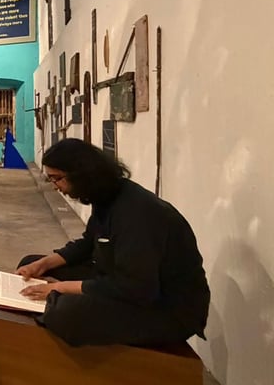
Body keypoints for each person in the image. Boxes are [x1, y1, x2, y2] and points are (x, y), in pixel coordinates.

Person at [15, 138, 210, 347]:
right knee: (32, 263)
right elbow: (87, 244)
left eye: (57, 179)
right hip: (119, 281)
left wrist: (61, 288)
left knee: (66, 313)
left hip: (164, 308)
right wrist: (41, 265)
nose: (55, 187)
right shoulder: (106, 197)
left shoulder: (138, 214)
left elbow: (135, 288)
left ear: (80, 174)